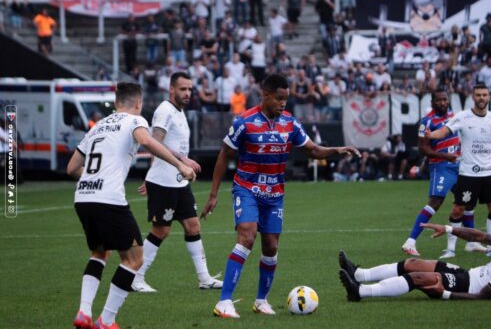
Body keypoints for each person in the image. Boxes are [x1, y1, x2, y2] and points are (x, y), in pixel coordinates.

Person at [200, 73, 361, 318]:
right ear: (265, 95)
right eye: (279, 98)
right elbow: (224, 155)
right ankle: (224, 302)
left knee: (271, 247)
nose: (283, 103)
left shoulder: (290, 123)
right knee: (247, 237)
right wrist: (213, 194)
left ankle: (261, 301)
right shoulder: (244, 122)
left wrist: (336, 150)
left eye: (286, 98)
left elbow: (313, 150)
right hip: (247, 189)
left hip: (275, 194)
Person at [68, 83, 195, 329]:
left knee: (100, 251)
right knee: (135, 259)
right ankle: (106, 320)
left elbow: (71, 168)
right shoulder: (135, 121)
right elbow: (146, 141)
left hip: (83, 197)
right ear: (138, 103)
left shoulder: (97, 128)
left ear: (116, 102)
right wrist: (180, 164)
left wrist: (94, 178)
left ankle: (84, 312)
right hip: (108, 198)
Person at [131, 72, 223, 293]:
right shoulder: (164, 110)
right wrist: (182, 159)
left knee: (193, 226)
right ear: (171, 90)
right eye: (183, 89)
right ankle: (135, 278)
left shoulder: (179, 112)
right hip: (164, 182)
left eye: (190, 89)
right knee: (161, 230)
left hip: (179, 181)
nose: (188, 93)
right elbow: (154, 142)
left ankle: (204, 278)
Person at [426, 84, 491, 258]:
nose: (481, 98)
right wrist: (431, 135)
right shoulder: (463, 117)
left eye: (484, 95)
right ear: (473, 97)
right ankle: (450, 249)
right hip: (468, 173)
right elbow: (444, 131)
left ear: (489, 97)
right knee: (458, 209)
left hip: (488, 172)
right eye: (478, 95)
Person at [339, 223, 491, 302]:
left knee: (417, 277)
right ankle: (359, 274)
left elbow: (481, 296)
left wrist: (444, 294)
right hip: (468, 274)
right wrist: (447, 228)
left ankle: (360, 292)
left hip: (467, 287)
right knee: (413, 263)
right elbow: (479, 235)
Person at [401, 90, 485, 257]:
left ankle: (472, 242)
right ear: (432, 102)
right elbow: (423, 149)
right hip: (441, 167)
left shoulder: (454, 116)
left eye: (445, 99)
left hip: (459, 166)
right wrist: (445, 156)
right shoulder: (427, 121)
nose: (442, 102)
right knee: (436, 201)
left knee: (467, 201)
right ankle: (410, 242)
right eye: (439, 100)